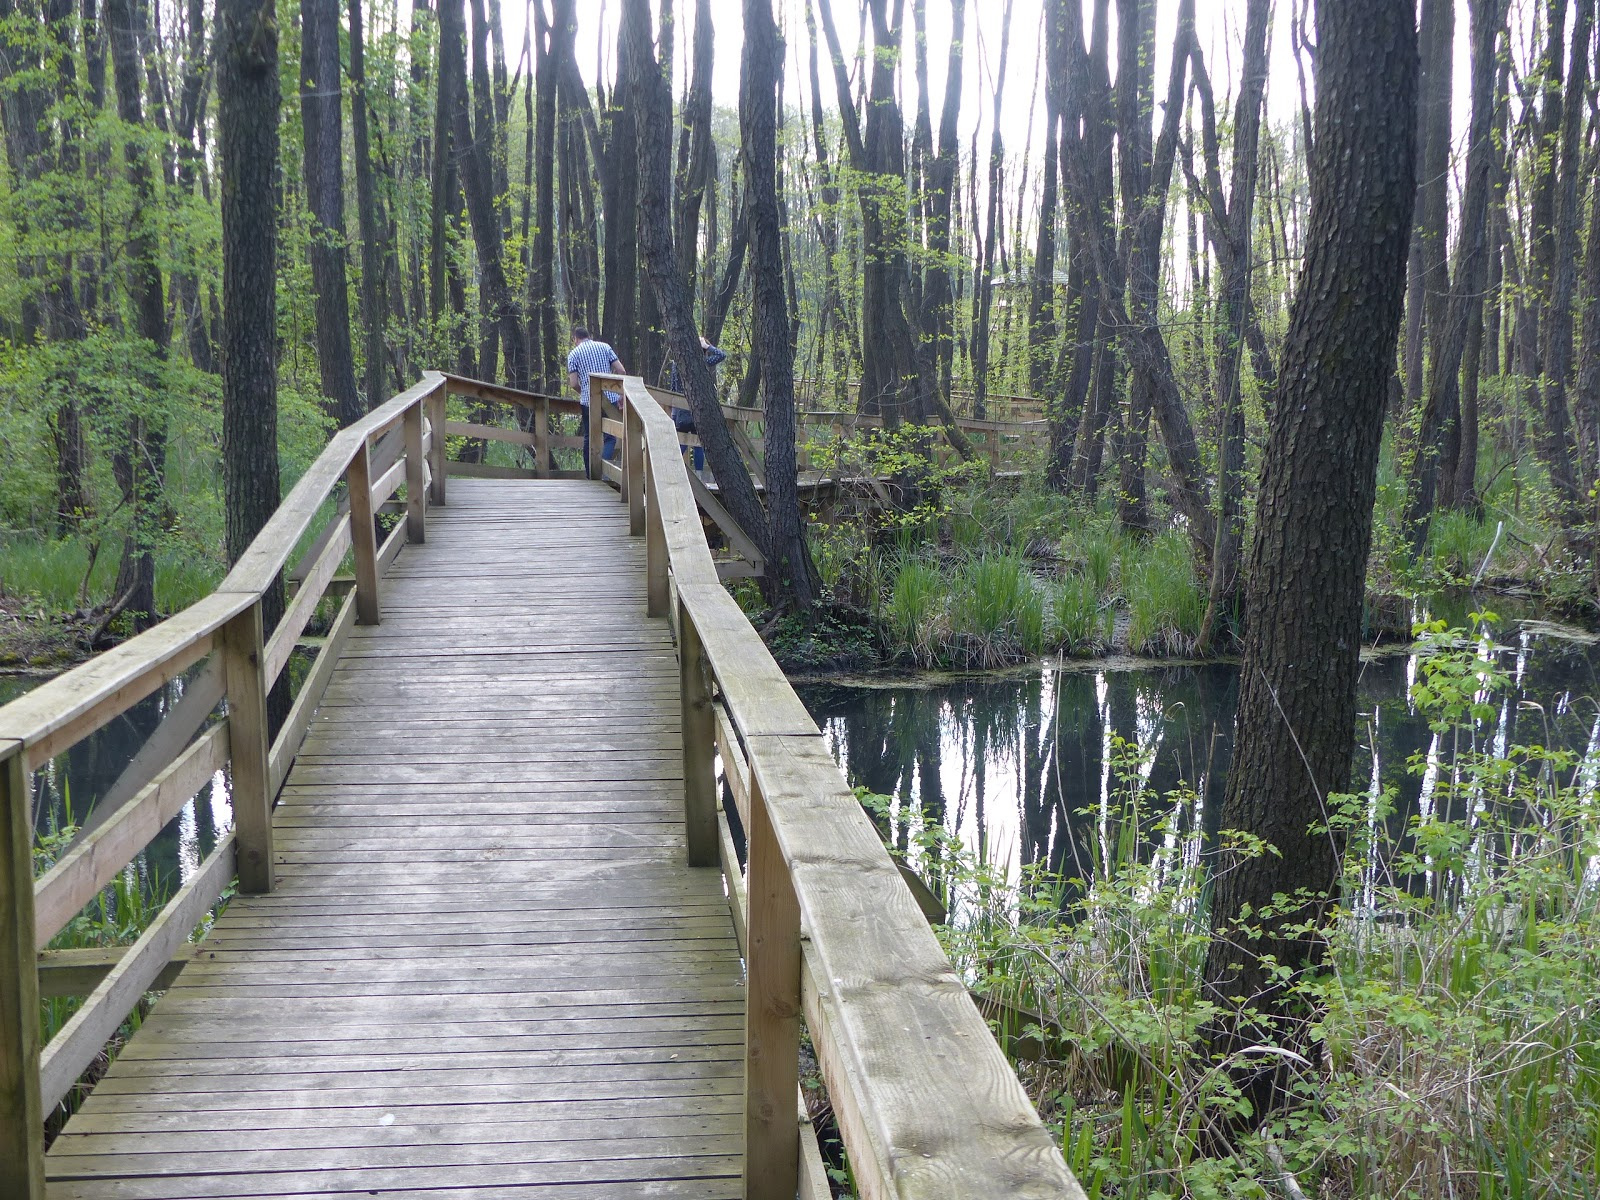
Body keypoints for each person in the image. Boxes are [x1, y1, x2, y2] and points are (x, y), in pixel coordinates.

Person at [566, 327, 625, 477]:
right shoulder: (605, 347)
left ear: (575, 339)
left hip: (588, 402)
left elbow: (573, 383)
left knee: (589, 437)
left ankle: (591, 475)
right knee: (610, 436)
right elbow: (621, 371)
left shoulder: (574, 354)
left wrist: (585, 392)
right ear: (589, 336)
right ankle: (604, 474)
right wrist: (621, 395)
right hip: (610, 398)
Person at [667, 336, 726, 473]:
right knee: (698, 444)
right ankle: (699, 477)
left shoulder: (677, 363)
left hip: (680, 411)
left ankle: (671, 469)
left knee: (681, 442)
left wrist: (673, 412)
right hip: (697, 411)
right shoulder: (702, 363)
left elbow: (673, 389)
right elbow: (721, 355)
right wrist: (707, 346)